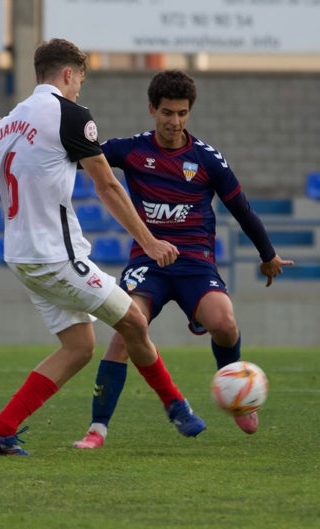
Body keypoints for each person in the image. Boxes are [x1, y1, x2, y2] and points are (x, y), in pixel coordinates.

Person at [0, 38, 206, 456]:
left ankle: (0, 428)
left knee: (79, 347)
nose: (79, 90)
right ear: (69, 74)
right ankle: (176, 406)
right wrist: (150, 241)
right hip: (56, 256)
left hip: (21, 257)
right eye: (80, 81)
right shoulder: (70, 114)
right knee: (135, 324)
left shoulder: (6, 125)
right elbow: (106, 184)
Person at [73, 70, 295, 449]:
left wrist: (268, 254)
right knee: (126, 332)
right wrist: (15, 137)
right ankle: (97, 430)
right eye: (166, 113)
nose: (174, 122)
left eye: (181, 113)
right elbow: (77, 155)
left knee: (225, 324)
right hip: (148, 262)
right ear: (151, 110)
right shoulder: (132, 150)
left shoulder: (206, 159)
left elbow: (241, 208)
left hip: (195, 263)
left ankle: (237, 392)